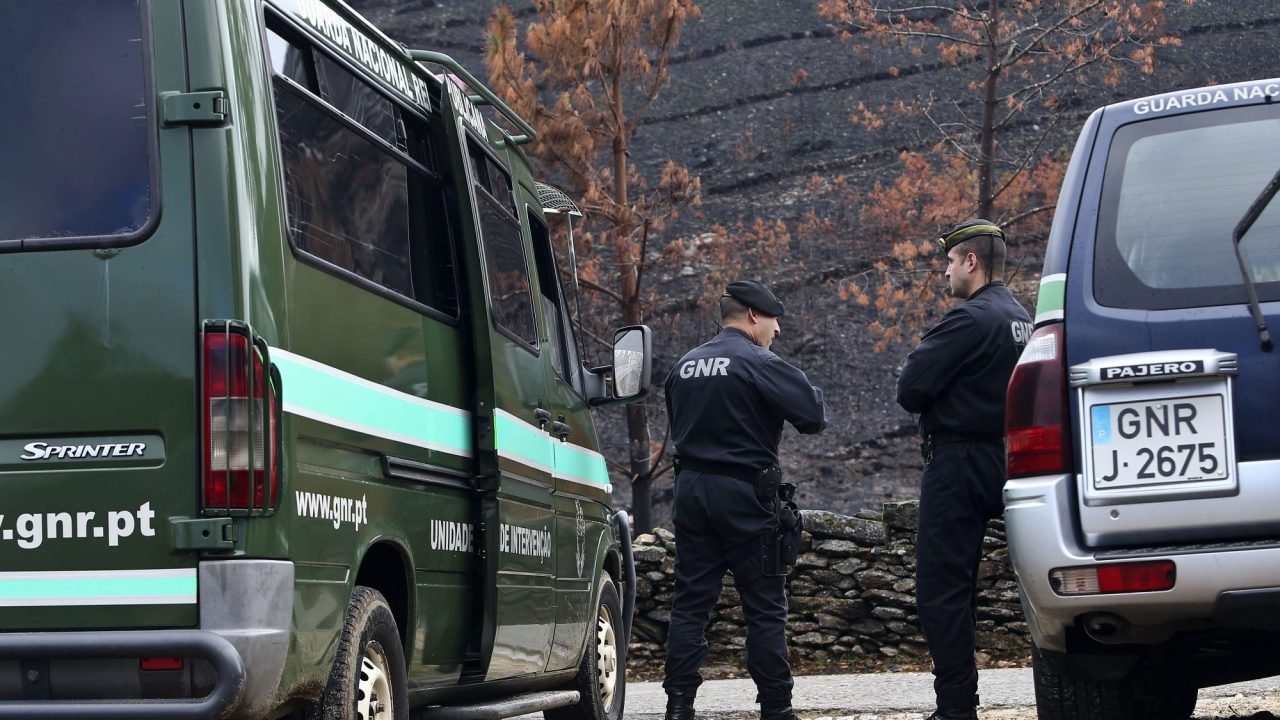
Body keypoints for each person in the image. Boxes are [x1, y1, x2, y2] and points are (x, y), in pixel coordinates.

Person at [662, 280, 829, 720]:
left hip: (692, 492)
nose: (778, 330)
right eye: (775, 320)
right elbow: (813, 417)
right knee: (765, 606)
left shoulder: (683, 365)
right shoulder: (759, 361)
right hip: (745, 494)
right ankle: (776, 709)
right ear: (754, 315)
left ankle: (679, 707)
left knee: (690, 606)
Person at [896, 220, 1034, 720]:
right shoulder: (1023, 318)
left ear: (971, 262)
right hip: (1011, 457)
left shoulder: (969, 319)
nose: (947, 271)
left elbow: (910, 387)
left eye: (951, 261)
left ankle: (956, 707)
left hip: (957, 462)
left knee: (943, 589)